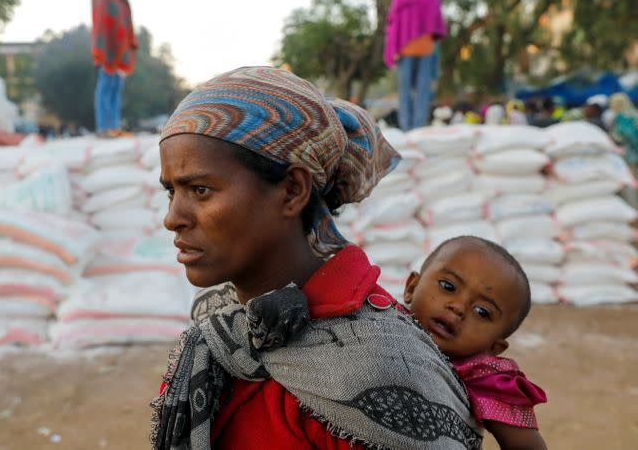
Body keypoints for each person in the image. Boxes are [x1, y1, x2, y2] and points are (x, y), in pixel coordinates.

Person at [151, 66, 483, 450]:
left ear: (292, 190)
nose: (173, 218)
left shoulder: (380, 363)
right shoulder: (220, 323)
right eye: (170, 193)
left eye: (201, 189)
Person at [404, 236, 548, 450]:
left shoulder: (483, 377)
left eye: (482, 312)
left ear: (493, 348)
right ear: (412, 287)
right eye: (448, 286)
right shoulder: (378, 321)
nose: (459, 307)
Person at [384, 0, 446, 132]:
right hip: (426, 48)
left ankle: (406, 126)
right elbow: (437, 21)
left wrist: (394, 43)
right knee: (422, 89)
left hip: (405, 48)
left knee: (404, 89)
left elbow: (392, 20)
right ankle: (419, 126)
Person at [91, 0, 137, 137]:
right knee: (106, 84)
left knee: (116, 86)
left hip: (120, 44)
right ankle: (104, 127)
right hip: (108, 43)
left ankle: (114, 125)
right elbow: (104, 16)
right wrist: (105, 44)